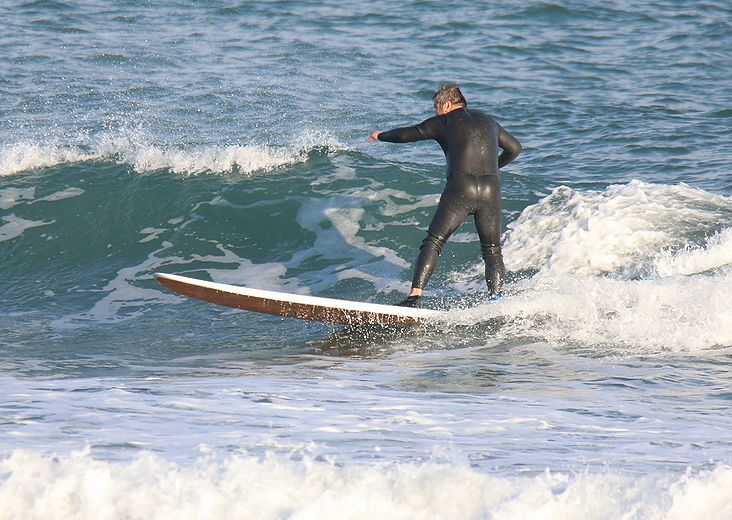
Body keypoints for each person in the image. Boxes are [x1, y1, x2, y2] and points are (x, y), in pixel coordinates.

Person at [368, 83, 522, 307]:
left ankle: (414, 298)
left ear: (447, 105)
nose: (436, 112)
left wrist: (381, 136)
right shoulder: (488, 121)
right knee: (492, 250)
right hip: (490, 189)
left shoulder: (445, 121)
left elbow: (410, 134)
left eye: (436, 107)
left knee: (434, 241)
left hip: (461, 188)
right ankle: (495, 299)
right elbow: (515, 148)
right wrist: (493, 168)